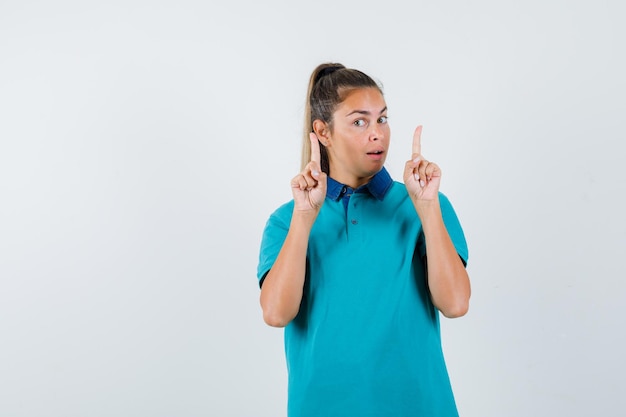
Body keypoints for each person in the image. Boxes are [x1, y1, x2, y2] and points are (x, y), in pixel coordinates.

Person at [256, 62, 471, 417]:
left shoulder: (424, 203)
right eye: (360, 121)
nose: (378, 134)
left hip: (418, 406)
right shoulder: (286, 221)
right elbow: (277, 313)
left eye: (382, 119)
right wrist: (304, 218)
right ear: (323, 132)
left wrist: (428, 209)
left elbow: (456, 304)